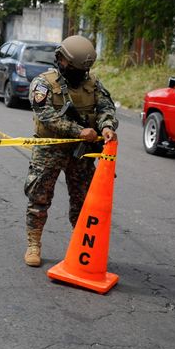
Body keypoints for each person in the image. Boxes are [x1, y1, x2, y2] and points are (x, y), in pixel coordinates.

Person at [23, 35, 118, 267]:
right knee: (39, 198)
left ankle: (82, 247)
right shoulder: (43, 83)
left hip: (82, 152)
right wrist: (78, 130)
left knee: (84, 202)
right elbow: (46, 116)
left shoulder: (93, 84)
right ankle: (33, 244)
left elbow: (107, 107)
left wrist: (106, 127)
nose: (63, 63)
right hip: (50, 150)